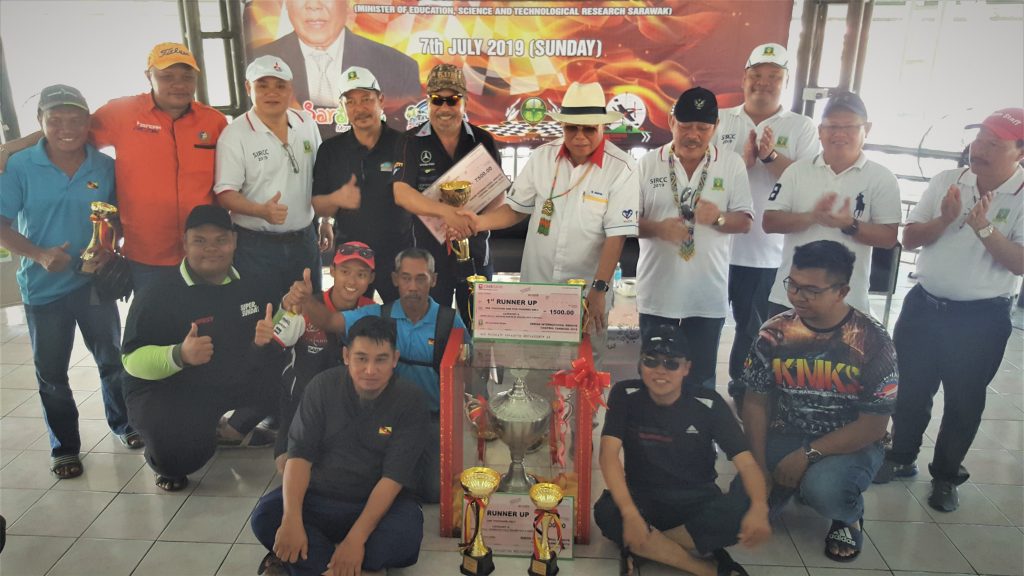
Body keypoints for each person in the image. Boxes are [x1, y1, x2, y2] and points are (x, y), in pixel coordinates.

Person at [874, 108, 1024, 512]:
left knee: (963, 401)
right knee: (909, 390)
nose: (980, 149)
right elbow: (910, 239)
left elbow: (1019, 263)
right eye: (980, 139)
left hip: (981, 318)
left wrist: (984, 227)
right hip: (924, 306)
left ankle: (945, 475)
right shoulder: (947, 180)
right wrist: (945, 219)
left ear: (1020, 152)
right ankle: (901, 456)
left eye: (994, 143)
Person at [0, 42, 228, 296]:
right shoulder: (122, 113)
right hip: (146, 256)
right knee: (152, 319)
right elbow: (70, 129)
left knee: (210, 317)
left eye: (187, 77)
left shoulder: (214, 121)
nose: (179, 84)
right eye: (167, 77)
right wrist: (11, 147)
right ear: (148, 76)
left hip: (205, 251)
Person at [0, 84, 139, 479]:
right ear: (40, 122)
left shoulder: (104, 166)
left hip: (93, 285)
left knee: (111, 360)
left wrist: (111, 247)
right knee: (52, 373)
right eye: (55, 119)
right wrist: (40, 254)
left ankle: (124, 423)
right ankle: (64, 447)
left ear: (87, 123)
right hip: (43, 289)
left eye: (76, 119)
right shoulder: (21, 165)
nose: (66, 128)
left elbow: (117, 218)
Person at [740, 240, 897, 562]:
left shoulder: (873, 340)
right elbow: (755, 402)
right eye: (793, 285)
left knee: (824, 490)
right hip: (785, 433)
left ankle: (848, 514)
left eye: (812, 290)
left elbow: (873, 426)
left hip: (849, 442)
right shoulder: (774, 332)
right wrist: (758, 467)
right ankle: (794, 485)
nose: (798, 296)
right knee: (741, 506)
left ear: (842, 292)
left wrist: (806, 455)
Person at [283, 247, 466, 503]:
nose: (413, 286)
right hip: (381, 414)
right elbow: (330, 322)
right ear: (394, 279)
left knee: (434, 491)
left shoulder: (450, 320)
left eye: (421, 278)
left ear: (434, 280)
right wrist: (306, 300)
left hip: (431, 418)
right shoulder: (379, 314)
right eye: (406, 278)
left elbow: (469, 371)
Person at [120, 205, 284, 491]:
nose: (211, 249)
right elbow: (131, 360)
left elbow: (277, 325)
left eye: (221, 240)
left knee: (294, 369)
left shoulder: (255, 283)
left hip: (228, 377)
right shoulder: (157, 294)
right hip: (171, 389)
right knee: (179, 456)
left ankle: (234, 429)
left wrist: (289, 311)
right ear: (184, 243)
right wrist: (179, 355)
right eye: (200, 241)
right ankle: (174, 450)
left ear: (234, 241)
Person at [250, 316, 428, 576]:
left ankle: (306, 563)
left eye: (380, 359)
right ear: (346, 356)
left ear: (394, 359)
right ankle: (348, 568)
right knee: (265, 516)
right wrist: (292, 519)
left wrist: (355, 539)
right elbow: (299, 457)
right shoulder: (322, 387)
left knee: (405, 536)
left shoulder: (410, 400)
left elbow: (393, 478)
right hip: (320, 495)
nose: (370, 370)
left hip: (377, 502)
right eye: (361, 358)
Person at [594, 323, 771, 576]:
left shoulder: (709, 403)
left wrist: (759, 508)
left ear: (686, 368)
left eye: (671, 364)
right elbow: (608, 456)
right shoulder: (625, 394)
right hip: (642, 498)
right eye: (651, 361)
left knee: (744, 505)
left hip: (696, 499)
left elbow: (747, 463)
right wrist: (630, 514)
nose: (660, 371)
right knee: (607, 511)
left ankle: (644, 546)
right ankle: (702, 568)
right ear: (640, 363)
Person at [467, 81, 639, 335]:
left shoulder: (622, 168)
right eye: (572, 128)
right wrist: (477, 222)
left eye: (589, 129)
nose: (580, 136)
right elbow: (516, 209)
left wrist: (599, 289)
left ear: (602, 126)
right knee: (532, 357)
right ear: (562, 126)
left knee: (584, 359)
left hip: (585, 293)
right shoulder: (542, 157)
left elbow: (617, 235)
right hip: (536, 287)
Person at [715, 43, 819, 407]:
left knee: (754, 329)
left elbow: (808, 183)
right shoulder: (721, 120)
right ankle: (698, 392)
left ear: (786, 82)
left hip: (764, 252)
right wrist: (740, 164)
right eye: (756, 75)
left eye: (774, 76)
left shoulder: (801, 127)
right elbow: (701, 175)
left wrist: (770, 157)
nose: (764, 82)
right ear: (744, 79)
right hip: (715, 245)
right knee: (707, 322)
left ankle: (743, 390)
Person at [636, 87, 753, 391]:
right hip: (657, 294)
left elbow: (745, 222)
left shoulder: (731, 164)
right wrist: (657, 228)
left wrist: (718, 218)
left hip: (707, 296)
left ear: (716, 127)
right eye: (685, 126)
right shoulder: (648, 163)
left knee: (700, 385)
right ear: (670, 122)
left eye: (703, 128)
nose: (693, 135)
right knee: (655, 381)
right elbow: (624, 222)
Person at [762, 91, 901, 317]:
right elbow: (769, 222)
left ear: (867, 129)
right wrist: (812, 217)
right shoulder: (796, 171)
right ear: (820, 131)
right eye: (832, 126)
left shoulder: (882, 178)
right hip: (790, 299)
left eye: (849, 127)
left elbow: (889, 238)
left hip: (848, 303)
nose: (839, 134)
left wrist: (849, 225)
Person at [393, 64, 500, 327]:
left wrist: (472, 223)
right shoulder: (410, 141)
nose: (444, 107)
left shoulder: (483, 140)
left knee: (479, 330)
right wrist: (447, 213)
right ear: (428, 102)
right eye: (436, 100)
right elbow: (401, 193)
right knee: (431, 331)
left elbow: (498, 195)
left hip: (475, 253)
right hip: (428, 260)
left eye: (452, 100)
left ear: (465, 102)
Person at [215, 55, 324, 300]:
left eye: (280, 86)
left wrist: (326, 220)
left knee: (309, 310)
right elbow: (225, 194)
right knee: (260, 314)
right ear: (248, 88)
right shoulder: (234, 135)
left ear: (290, 89)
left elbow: (321, 175)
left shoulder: (306, 123)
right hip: (255, 246)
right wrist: (261, 211)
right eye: (262, 85)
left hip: (304, 241)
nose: (272, 93)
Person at [269, 241, 377, 473]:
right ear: (332, 271)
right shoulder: (304, 304)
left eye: (361, 274)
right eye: (345, 271)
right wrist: (285, 306)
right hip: (300, 405)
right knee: (287, 468)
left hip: (348, 409)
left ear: (371, 278)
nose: (352, 281)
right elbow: (272, 345)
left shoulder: (372, 311)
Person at [312, 66, 411, 303]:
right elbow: (317, 204)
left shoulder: (405, 144)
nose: (359, 108)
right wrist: (336, 199)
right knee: (352, 321)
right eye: (351, 102)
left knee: (400, 319)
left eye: (366, 99)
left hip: (398, 255)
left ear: (381, 101)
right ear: (343, 107)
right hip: (351, 259)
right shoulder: (330, 150)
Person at [254, 0, 421, 138]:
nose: (314, 5)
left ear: (346, 3)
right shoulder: (257, 63)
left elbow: (406, 147)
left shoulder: (400, 68)